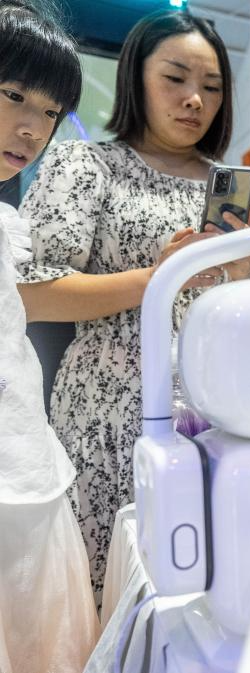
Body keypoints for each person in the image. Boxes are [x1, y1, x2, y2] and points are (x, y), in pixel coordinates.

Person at [17, 10, 250, 603]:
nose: (195, 100)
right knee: (112, 584)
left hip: (223, 414)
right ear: (135, 77)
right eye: (175, 78)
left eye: (212, 87)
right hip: (110, 415)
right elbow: (31, 294)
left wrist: (242, 273)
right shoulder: (86, 165)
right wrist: (158, 278)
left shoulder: (248, 193)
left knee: (214, 582)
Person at [0, 2, 99, 671]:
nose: (32, 127)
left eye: (51, 111)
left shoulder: (7, 225)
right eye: (13, 95)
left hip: (28, 467)